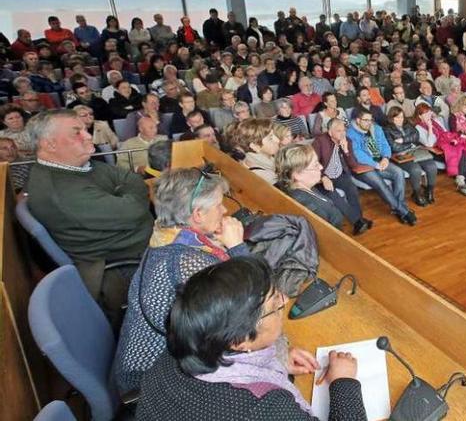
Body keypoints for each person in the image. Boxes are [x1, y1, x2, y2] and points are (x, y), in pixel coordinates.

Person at [136, 257, 368, 421]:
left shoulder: (181, 347)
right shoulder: (262, 407)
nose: (285, 300)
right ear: (239, 342)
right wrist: (343, 383)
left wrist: (277, 359)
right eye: (274, 304)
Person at [112, 167, 249, 395]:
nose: (224, 210)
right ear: (197, 214)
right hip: (154, 380)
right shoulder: (188, 261)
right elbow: (250, 301)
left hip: (151, 358)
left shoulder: (166, 235)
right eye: (218, 205)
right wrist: (237, 247)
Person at [26, 109, 153, 320]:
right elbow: (135, 210)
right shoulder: (60, 192)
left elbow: (133, 180)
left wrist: (127, 194)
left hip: (136, 242)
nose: (88, 136)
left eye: (85, 130)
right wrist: (127, 195)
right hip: (128, 262)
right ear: (49, 144)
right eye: (77, 132)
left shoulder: (80, 165)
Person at [347, 109, 417, 225]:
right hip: (364, 167)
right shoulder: (350, 133)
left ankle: (398, 209)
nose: (369, 123)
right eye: (365, 120)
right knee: (380, 184)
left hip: (380, 161)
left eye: (370, 120)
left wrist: (385, 158)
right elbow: (358, 154)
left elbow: (385, 145)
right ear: (358, 120)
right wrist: (376, 165)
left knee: (398, 172)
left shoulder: (376, 128)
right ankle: (404, 211)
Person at [276, 144, 357, 230]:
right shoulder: (311, 209)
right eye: (315, 165)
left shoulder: (305, 187)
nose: (321, 167)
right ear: (297, 174)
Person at [311, 119, 372, 235]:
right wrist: (323, 177)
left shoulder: (347, 141)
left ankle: (358, 221)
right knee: (334, 195)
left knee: (352, 189)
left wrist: (346, 150)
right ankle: (358, 221)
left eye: (344, 130)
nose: (342, 133)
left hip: (339, 174)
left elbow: (353, 164)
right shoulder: (320, 141)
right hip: (322, 179)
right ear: (330, 132)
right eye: (338, 131)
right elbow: (312, 164)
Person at [414, 103, 466, 197]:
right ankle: (464, 182)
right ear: (419, 116)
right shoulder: (418, 128)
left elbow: (445, 133)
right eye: (425, 114)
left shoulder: (436, 121)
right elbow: (429, 144)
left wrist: (451, 139)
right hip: (435, 151)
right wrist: (430, 127)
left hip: (446, 146)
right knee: (460, 151)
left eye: (429, 112)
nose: (428, 115)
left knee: (461, 148)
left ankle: (461, 181)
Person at [383, 106, 437, 206]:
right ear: (392, 118)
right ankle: (416, 194)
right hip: (400, 155)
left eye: (402, 117)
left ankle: (429, 191)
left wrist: (403, 140)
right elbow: (394, 147)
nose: (400, 120)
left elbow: (416, 135)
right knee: (415, 169)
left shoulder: (407, 124)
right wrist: (410, 143)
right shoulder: (387, 129)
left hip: (415, 151)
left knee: (432, 166)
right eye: (397, 117)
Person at [226, 118, 281, 184]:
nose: (278, 140)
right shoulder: (267, 177)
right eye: (270, 138)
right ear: (255, 146)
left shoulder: (250, 160)